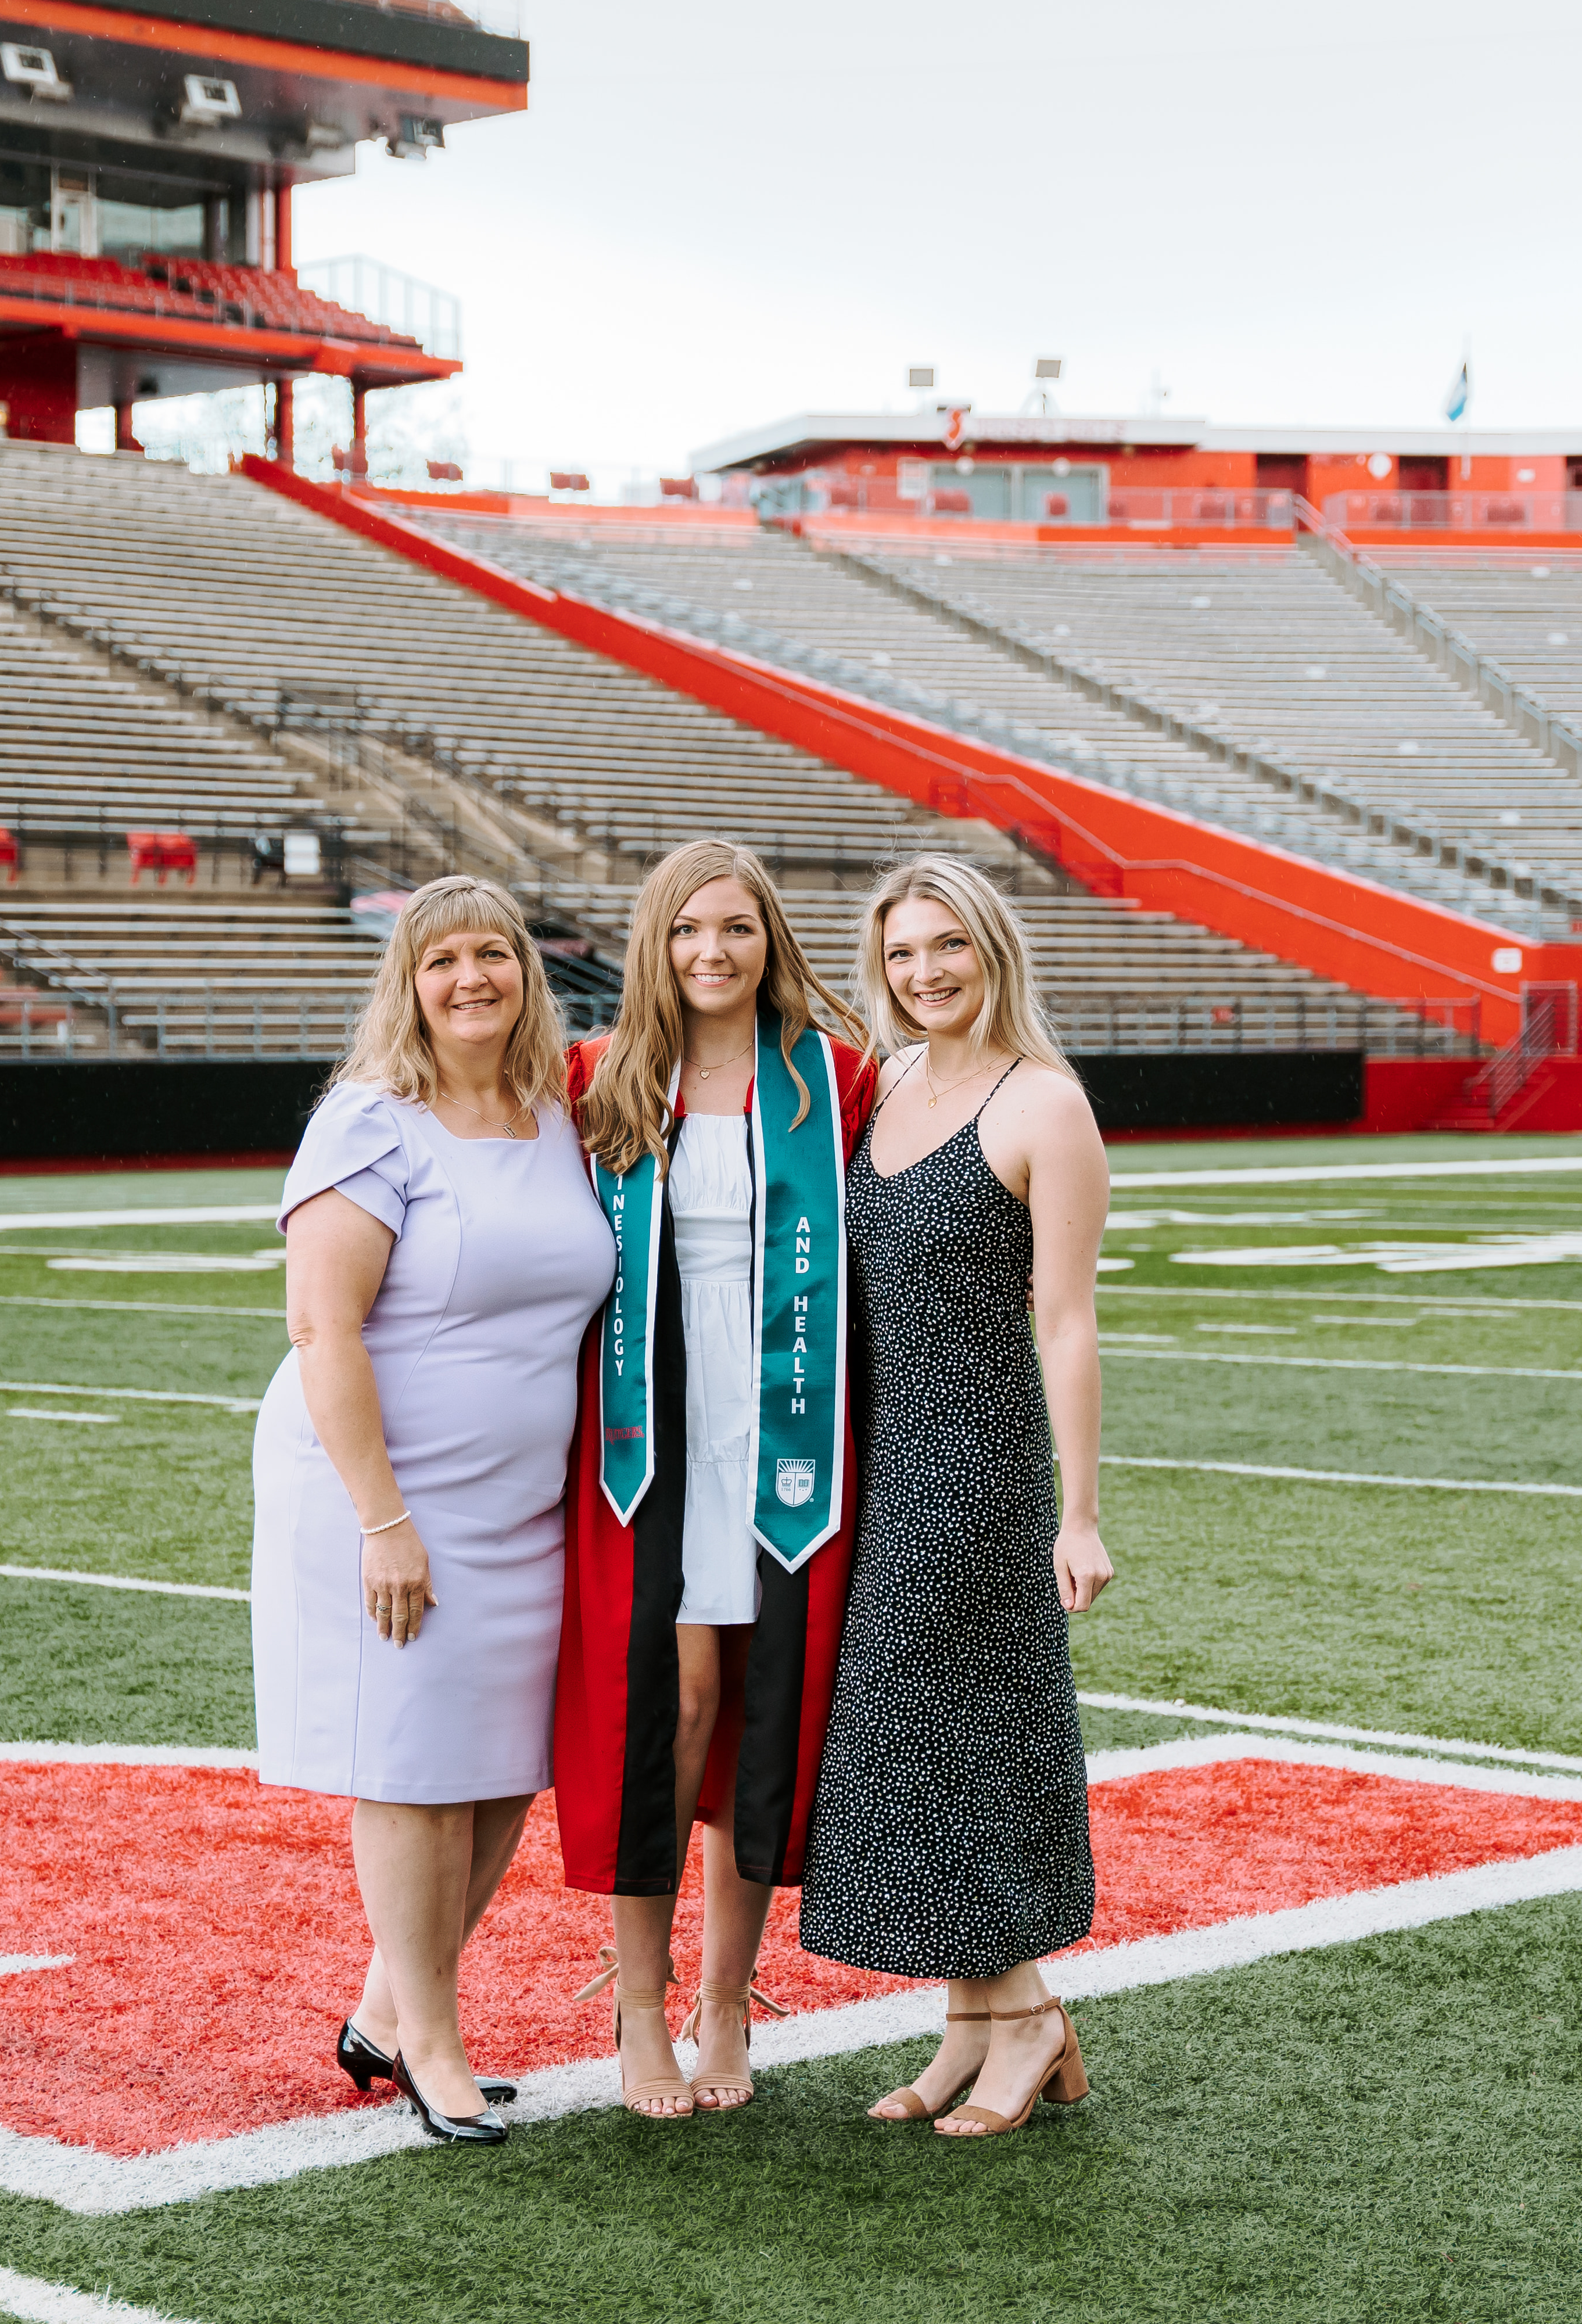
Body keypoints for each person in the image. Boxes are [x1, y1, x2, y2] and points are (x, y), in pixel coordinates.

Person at [253, 874, 616, 2147]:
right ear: (408, 982)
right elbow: (321, 1326)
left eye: (495, 955)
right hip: (386, 1491)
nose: (473, 978)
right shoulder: (369, 1121)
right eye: (444, 959)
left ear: (528, 971)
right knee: (414, 1769)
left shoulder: (557, 1109)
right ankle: (437, 2043)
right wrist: (381, 1517)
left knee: (507, 1769)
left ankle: (383, 2007)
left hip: (524, 1503)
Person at [798, 853, 1116, 2140]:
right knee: (914, 1742)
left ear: (993, 951)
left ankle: (1027, 2014)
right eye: (902, 954)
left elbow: (1072, 1321)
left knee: (972, 1735)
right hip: (877, 1467)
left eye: (949, 947)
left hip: (978, 1467)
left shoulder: (1044, 1102)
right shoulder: (888, 1091)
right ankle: (972, 2023)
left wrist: (1078, 1509)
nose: (924, 972)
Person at [557, 841, 877, 2119]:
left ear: (770, 938)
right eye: (688, 930)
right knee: (668, 1705)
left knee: (757, 1708)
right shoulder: (600, 1075)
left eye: (737, 928)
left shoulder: (834, 1078)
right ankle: (640, 1999)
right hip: (652, 1426)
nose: (712, 952)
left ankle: (727, 1997)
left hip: (788, 1418)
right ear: (655, 941)